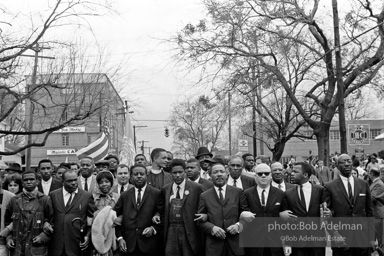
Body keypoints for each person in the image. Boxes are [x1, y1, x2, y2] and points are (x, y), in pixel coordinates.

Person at [323, 154, 374, 256]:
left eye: (349, 161)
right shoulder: (329, 187)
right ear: (337, 166)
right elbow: (326, 216)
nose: (346, 164)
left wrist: (372, 237)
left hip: (362, 238)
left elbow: (370, 212)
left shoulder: (363, 184)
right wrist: (334, 234)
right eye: (343, 162)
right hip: (341, 240)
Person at [197, 162, 249, 256]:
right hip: (214, 246)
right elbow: (200, 221)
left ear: (227, 174)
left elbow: (247, 216)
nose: (219, 174)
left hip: (235, 245)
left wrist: (238, 226)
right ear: (210, 175)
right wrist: (212, 228)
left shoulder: (238, 192)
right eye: (215, 172)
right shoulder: (204, 196)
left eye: (222, 171)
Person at [114, 164, 163, 256]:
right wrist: (120, 238)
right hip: (128, 245)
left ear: (146, 175)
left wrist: (153, 228)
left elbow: (163, 215)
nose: (139, 176)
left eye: (142, 174)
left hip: (149, 245)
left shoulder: (156, 193)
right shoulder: (125, 195)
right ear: (131, 177)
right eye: (136, 174)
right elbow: (115, 217)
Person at [281, 162, 329, 256]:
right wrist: (288, 243)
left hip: (317, 240)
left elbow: (326, 211)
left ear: (305, 175)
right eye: (292, 171)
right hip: (297, 241)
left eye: (295, 171)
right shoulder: (288, 193)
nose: (292, 173)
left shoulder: (320, 190)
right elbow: (287, 222)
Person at [160, 159, 205, 256]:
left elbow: (203, 208)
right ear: (170, 173)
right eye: (174, 172)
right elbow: (161, 209)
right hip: (171, 230)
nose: (177, 175)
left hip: (188, 230)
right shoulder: (166, 189)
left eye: (180, 172)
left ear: (185, 172)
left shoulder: (197, 188)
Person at [5, 170, 54, 256]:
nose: (28, 182)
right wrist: (9, 238)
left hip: (37, 249)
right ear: (22, 183)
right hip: (17, 249)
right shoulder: (14, 200)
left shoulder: (45, 200)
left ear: (37, 181)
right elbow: (7, 222)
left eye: (31, 179)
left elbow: (52, 222)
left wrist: (42, 237)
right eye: (26, 180)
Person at [49, 169, 96, 256]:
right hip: (57, 246)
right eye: (70, 181)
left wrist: (88, 236)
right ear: (62, 182)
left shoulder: (86, 196)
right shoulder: (53, 195)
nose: (74, 183)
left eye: (75, 180)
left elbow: (93, 219)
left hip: (77, 245)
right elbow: (48, 217)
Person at [242, 163, 285, 256]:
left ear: (270, 176)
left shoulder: (280, 194)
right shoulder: (247, 193)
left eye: (266, 173)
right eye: (260, 174)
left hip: (275, 241)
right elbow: (243, 213)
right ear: (255, 176)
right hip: (254, 241)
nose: (263, 176)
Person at [92, 171, 120, 256]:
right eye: (101, 182)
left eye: (107, 182)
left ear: (112, 183)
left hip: (113, 231)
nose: (104, 184)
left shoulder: (118, 197)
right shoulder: (93, 198)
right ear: (97, 184)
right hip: (97, 232)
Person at [369, 168, 384, 254]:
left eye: (369, 173)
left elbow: (372, 198)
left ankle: (381, 253)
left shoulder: (378, 184)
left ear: (372, 174)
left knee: (380, 237)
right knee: (373, 235)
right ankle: (374, 251)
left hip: (378, 213)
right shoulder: (376, 183)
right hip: (375, 213)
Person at [0, 170, 15, 256]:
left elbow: (19, 216)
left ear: (2, 180)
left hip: (2, 242)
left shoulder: (10, 197)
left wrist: (8, 228)